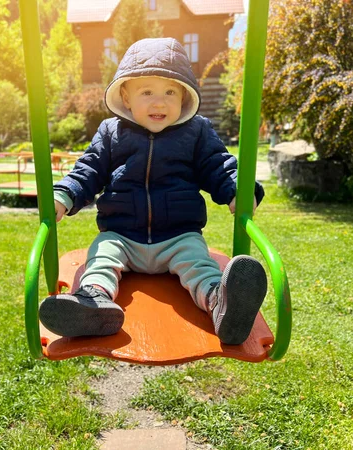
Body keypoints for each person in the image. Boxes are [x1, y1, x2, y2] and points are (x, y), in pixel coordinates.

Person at [39, 37, 267, 345]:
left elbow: (218, 164)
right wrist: (65, 194)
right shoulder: (111, 132)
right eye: (147, 92)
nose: (159, 102)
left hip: (178, 236)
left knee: (199, 264)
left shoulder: (196, 131)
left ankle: (223, 304)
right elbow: (88, 169)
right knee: (102, 256)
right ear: (126, 96)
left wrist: (237, 189)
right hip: (122, 235)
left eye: (170, 91)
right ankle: (93, 303)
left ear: (184, 97)